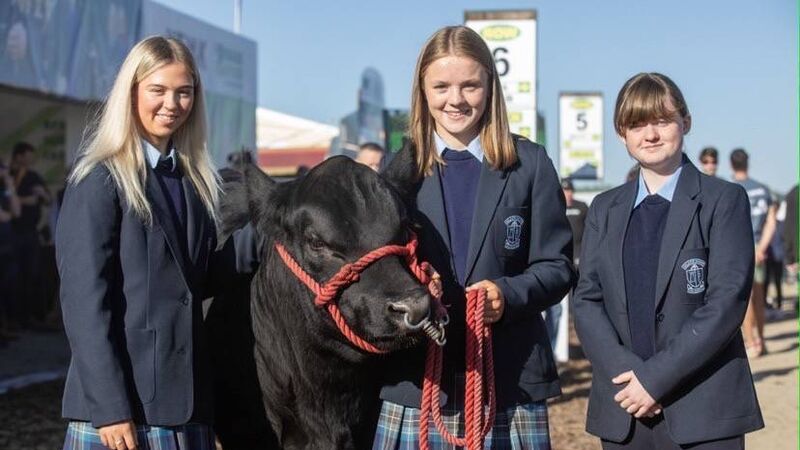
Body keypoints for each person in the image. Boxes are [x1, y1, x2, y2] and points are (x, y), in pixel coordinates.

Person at [374, 25, 575, 449]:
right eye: (441, 87)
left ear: (490, 86)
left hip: (509, 378)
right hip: (418, 382)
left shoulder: (529, 164)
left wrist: (508, 295)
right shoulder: (397, 170)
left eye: (470, 85)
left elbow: (557, 267)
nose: (456, 99)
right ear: (422, 90)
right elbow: (379, 270)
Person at [56, 36, 231, 450]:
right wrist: (109, 407)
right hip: (123, 412)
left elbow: (196, 283)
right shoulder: (99, 178)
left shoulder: (195, 183)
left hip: (186, 405)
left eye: (184, 92)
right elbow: (84, 305)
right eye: (158, 90)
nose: (172, 104)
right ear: (131, 92)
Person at [573, 73, 763, 449]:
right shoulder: (604, 209)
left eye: (662, 121)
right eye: (636, 124)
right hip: (624, 406)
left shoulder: (723, 200)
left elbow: (726, 303)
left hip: (703, 408)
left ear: (685, 122)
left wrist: (655, 380)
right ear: (621, 134)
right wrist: (628, 376)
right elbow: (587, 301)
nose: (650, 135)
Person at [730, 148, 777, 358]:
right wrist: (762, 247)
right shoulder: (763, 189)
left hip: (740, 248)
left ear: (731, 165)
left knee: (745, 299)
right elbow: (771, 222)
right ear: (748, 163)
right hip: (760, 249)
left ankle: (750, 342)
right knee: (759, 296)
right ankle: (762, 340)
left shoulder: (730, 189)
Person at [10, 141, 51, 329]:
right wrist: (26, 200)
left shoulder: (33, 176)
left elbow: (47, 199)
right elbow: (8, 201)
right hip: (12, 233)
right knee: (13, 276)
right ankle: (14, 318)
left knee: (32, 274)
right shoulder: (8, 175)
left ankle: (31, 317)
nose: (31, 159)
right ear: (19, 156)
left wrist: (42, 194)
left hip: (30, 232)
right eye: (28, 156)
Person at [544, 178, 587, 351]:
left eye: (569, 191)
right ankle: (552, 351)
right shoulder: (552, 207)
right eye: (564, 191)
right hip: (559, 263)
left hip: (578, 261)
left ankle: (584, 343)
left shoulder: (582, 207)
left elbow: (590, 233)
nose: (567, 194)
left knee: (580, 302)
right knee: (555, 309)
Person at [0, 158, 21, 344]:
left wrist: (9, 185)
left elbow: (16, 211)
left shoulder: (5, 190)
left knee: (8, 287)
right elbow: (4, 216)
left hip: (7, 245)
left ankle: (6, 327)